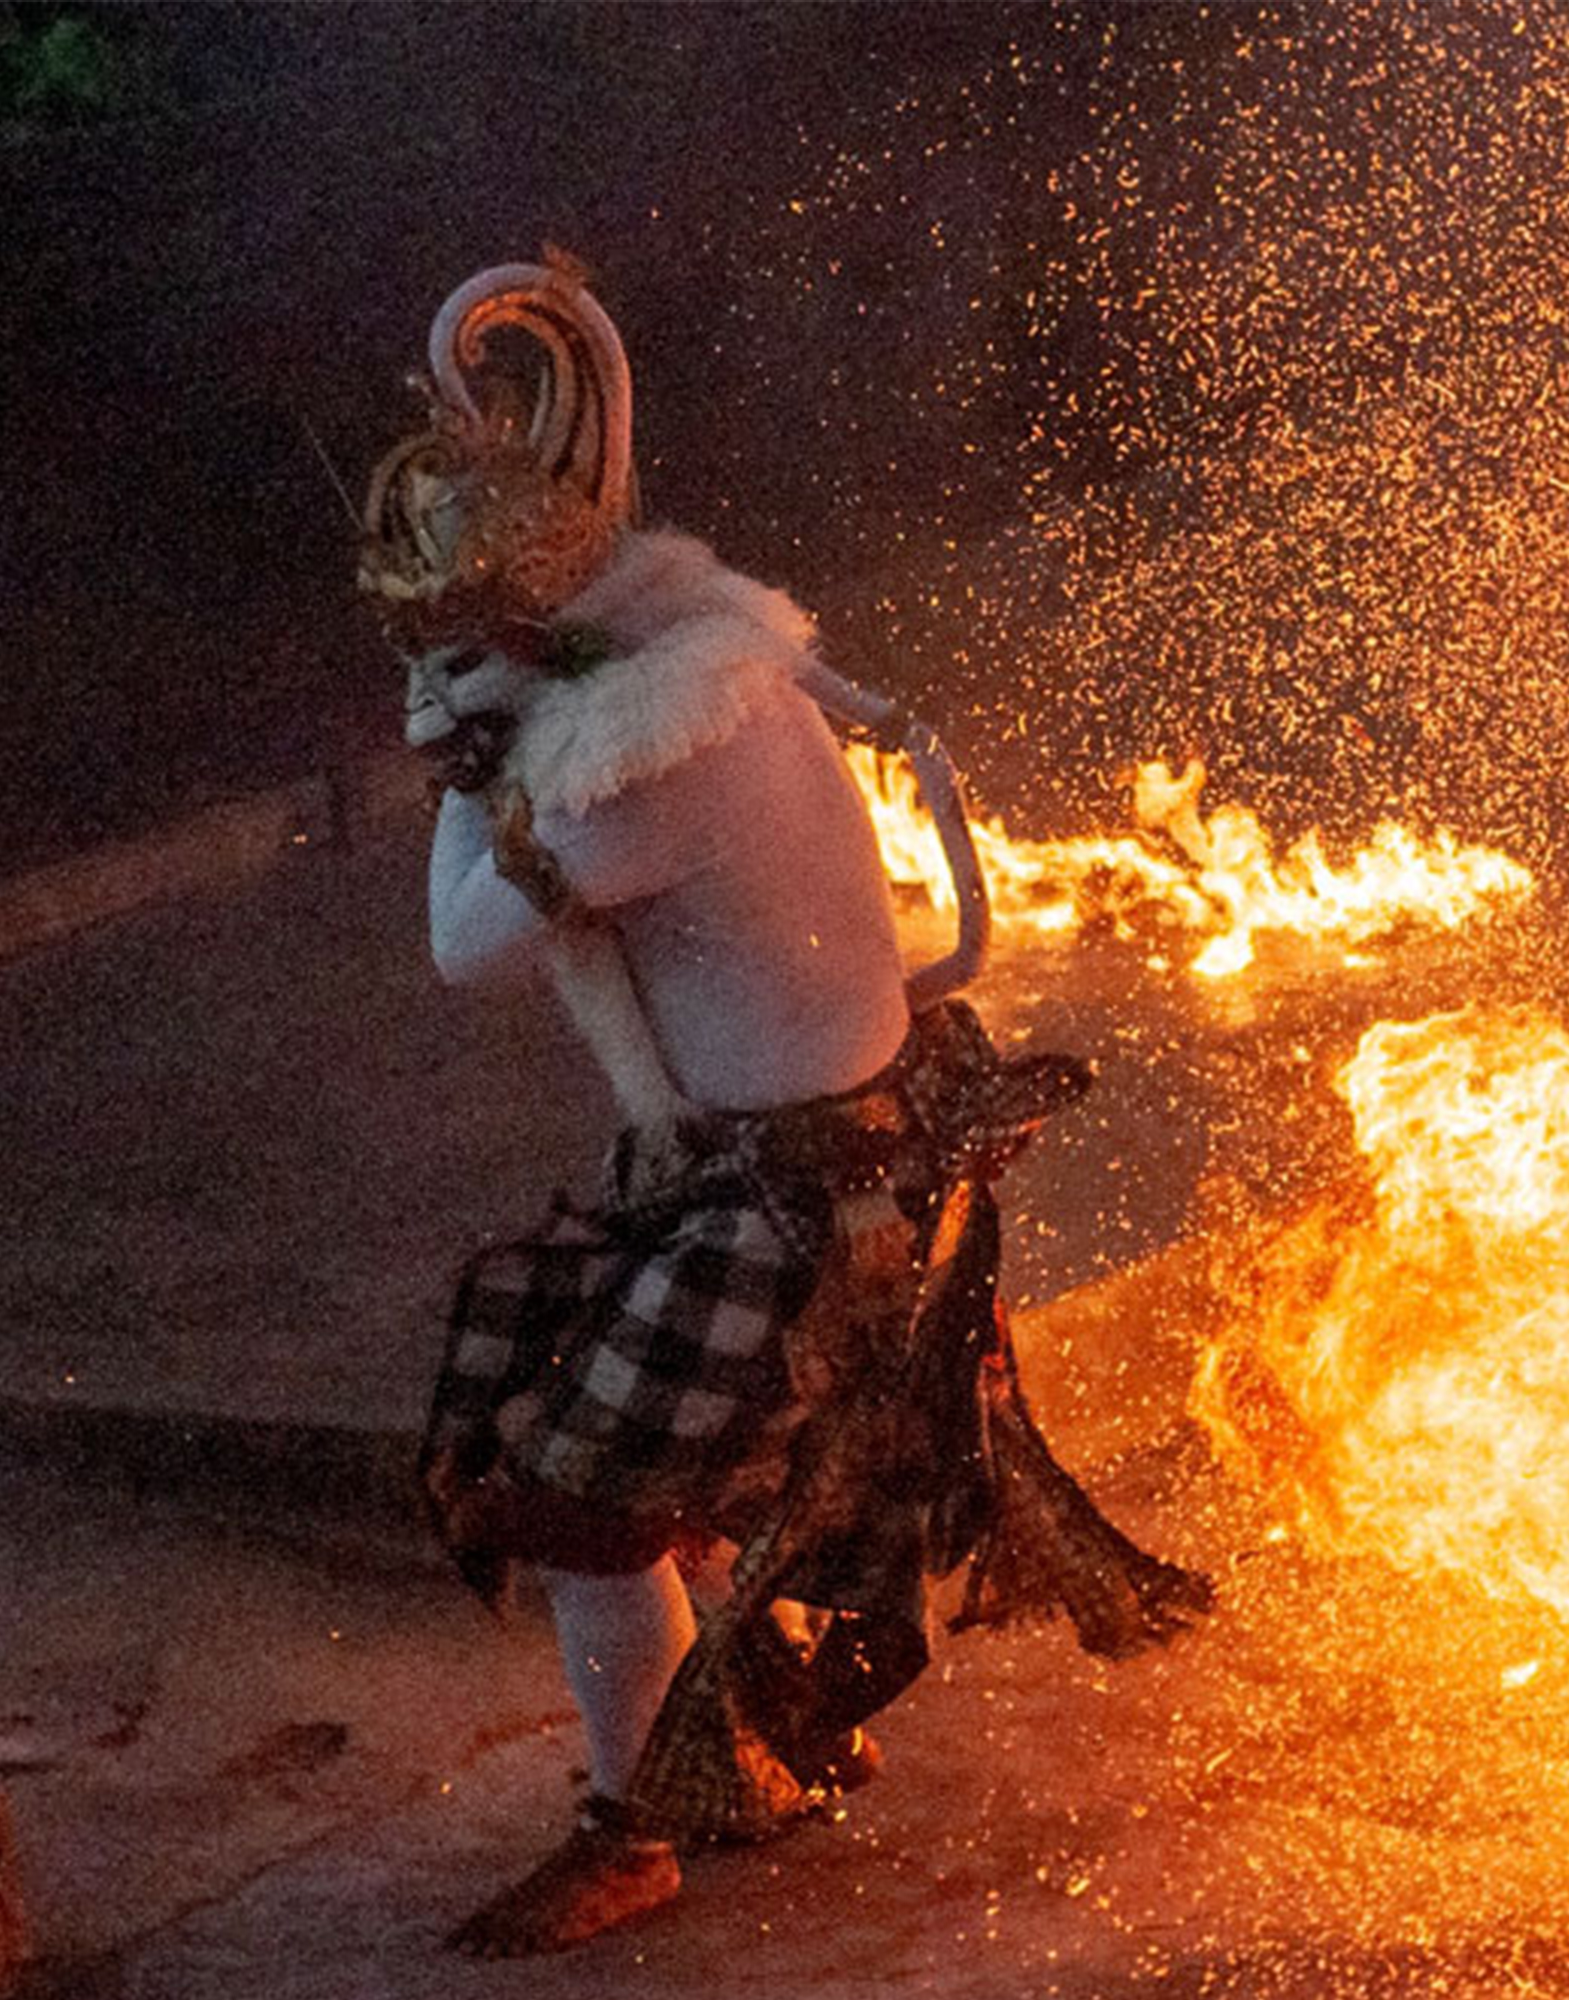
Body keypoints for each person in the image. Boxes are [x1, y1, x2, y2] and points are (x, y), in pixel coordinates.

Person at [357, 258, 1206, 1959]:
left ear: (520, 629)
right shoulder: (700, 650)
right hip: (790, 1158)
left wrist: (472, 769)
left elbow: (462, 947)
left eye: (448, 640)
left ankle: (644, 1827)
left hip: (814, 1192)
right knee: (614, 1452)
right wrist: (508, 729)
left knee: (589, 1496)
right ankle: (733, 1754)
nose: (432, 665)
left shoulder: (641, 759)